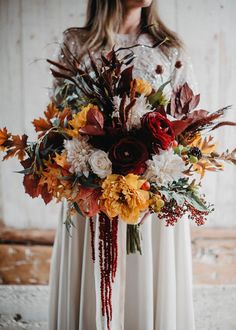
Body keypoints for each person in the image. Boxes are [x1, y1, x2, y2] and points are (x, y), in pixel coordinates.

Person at [48, 0, 197, 329]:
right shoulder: (78, 44)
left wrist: (158, 169)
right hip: (91, 192)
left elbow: (187, 129)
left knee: (147, 281)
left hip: (150, 197)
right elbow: (60, 120)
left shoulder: (168, 49)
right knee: (94, 280)